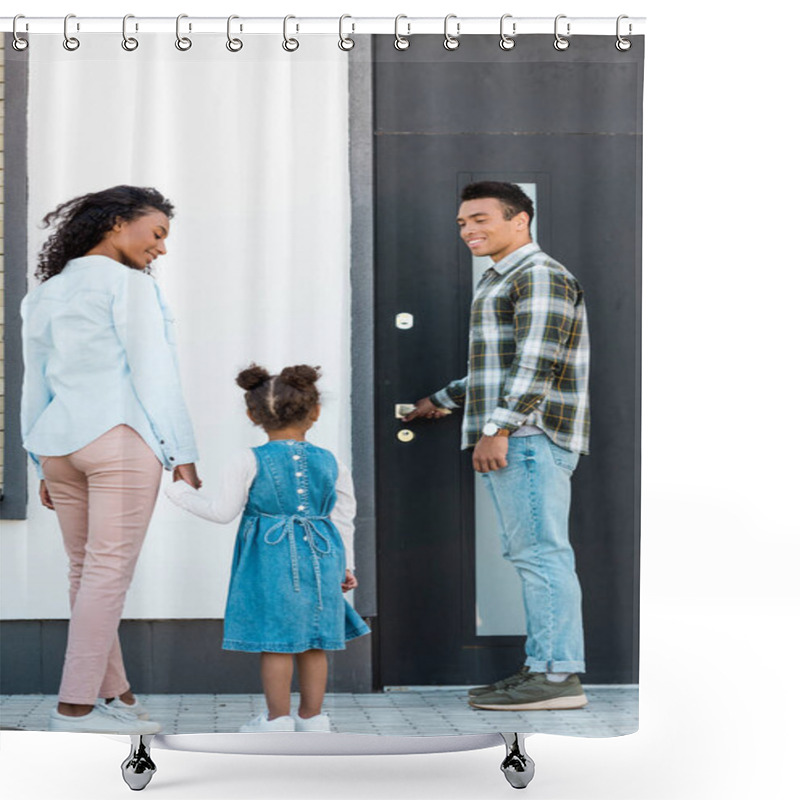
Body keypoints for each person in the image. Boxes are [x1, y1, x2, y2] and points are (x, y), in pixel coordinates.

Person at [21, 185, 200, 734]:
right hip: (118, 440)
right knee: (105, 577)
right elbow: (155, 373)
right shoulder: (130, 287)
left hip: (59, 445)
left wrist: (37, 461)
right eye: (157, 233)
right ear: (118, 223)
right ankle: (73, 709)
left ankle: (116, 696)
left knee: (86, 574)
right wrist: (182, 452)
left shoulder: (46, 292)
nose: (162, 249)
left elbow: (34, 384)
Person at [405, 181, 590, 711]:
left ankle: (557, 679)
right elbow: (499, 366)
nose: (469, 230)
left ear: (521, 220)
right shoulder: (503, 278)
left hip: (530, 437)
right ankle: (542, 666)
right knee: (532, 554)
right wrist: (441, 399)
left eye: (481, 219)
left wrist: (498, 429)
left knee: (542, 555)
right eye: (463, 222)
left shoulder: (539, 275)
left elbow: (538, 362)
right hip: (520, 432)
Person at [165, 364, 370, 732]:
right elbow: (343, 516)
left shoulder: (247, 459)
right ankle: (313, 720)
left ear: (252, 414)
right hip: (323, 557)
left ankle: (277, 721)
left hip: (269, 559)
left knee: (277, 642)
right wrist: (346, 566)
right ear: (316, 412)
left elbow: (222, 512)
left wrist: (178, 492)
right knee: (314, 641)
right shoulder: (332, 461)